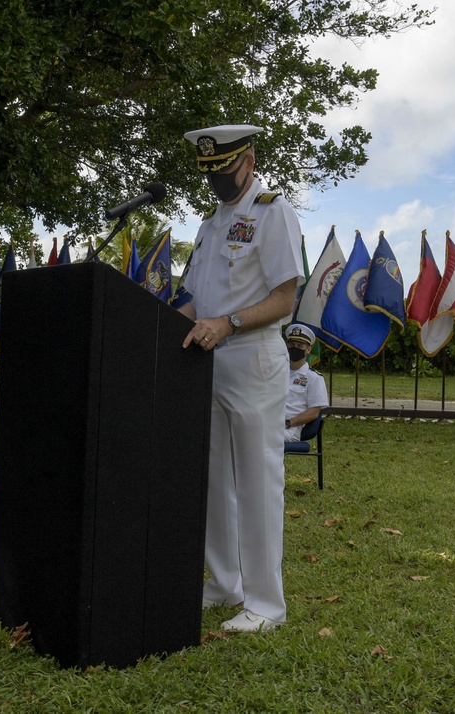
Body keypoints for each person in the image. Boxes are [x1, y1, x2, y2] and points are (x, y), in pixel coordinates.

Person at [179, 124, 304, 632]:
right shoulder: (210, 225)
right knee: (213, 480)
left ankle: (265, 604)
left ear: (247, 161)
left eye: (224, 171)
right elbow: (192, 299)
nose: (216, 183)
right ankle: (226, 581)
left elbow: (285, 298)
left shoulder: (273, 213)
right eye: (208, 174)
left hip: (252, 357)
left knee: (257, 482)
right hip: (206, 361)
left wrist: (227, 322)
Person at [283, 325, 328, 442]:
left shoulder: (314, 378)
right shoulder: (279, 373)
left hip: (290, 428)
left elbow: (313, 412)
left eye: (299, 346)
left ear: (308, 349)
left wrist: (288, 423)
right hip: (269, 424)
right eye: (292, 345)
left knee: (260, 440)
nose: (295, 348)